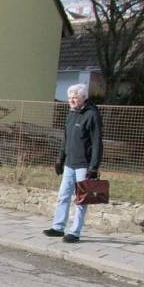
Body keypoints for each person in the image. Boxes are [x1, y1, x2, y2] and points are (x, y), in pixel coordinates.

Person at [43, 83, 103, 243]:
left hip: (83, 166)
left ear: (84, 98)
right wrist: (60, 158)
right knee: (63, 196)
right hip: (69, 164)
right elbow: (66, 139)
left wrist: (94, 167)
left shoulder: (92, 115)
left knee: (81, 200)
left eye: (75, 98)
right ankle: (58, 227)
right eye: (70, 98)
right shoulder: (71, 114)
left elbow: (97, 142)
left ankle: (75, 232)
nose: (72, 100)